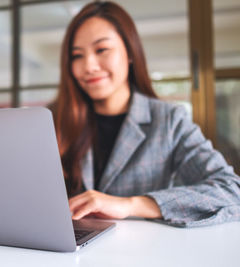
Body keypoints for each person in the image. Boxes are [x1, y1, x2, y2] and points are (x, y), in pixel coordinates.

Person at [50, 1, 240, 227]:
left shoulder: (168, 120)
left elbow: (231, 190)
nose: (89, 65)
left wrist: (130, 205)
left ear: (130, 53)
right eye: (76, 55)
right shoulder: (54, 120)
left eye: (102, 50)